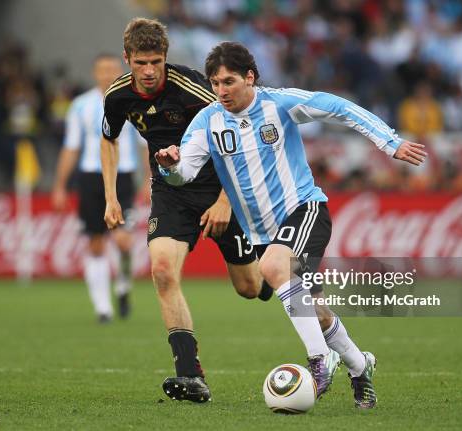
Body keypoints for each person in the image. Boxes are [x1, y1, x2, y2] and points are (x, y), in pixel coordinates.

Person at [155, 41, 426, 408]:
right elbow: (183, 173)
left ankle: (319, 361)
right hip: (263, 232)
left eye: (229, 82)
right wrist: (169, 165)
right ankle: (360, 367)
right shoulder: (207, 120)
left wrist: (389, 142)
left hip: (305, 209)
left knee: (271, 267)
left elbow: (339, 108)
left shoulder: (279, 103)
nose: (221, 91)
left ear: (250, 77)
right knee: (314, 308)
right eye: (215, 83)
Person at [101, 18, 280, 404]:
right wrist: (111, 196)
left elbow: (240, 135)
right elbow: (109, 139)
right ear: (127, 58)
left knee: (249, 289)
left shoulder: (194, 88)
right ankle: (191, 375)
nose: (149, 71)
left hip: (221, 186)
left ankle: (271, 273)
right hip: (171, 191)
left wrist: (225, 201)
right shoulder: (117, 97)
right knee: (163, 271)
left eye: (157, 61)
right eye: (141, 63)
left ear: (165, 57)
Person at [52, 53, 144, 323]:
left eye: (112, 69)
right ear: (95, 73)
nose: (107, 74)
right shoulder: (80, 106)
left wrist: (150, 178)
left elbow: (144, 143)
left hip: (123, 174)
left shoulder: (133, 100)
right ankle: (103, 308)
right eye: (102, 70)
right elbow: (71, 147)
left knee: (123, 240)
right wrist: (59, 185)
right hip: (90, 177)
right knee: (95, 242)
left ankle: (124, 285)